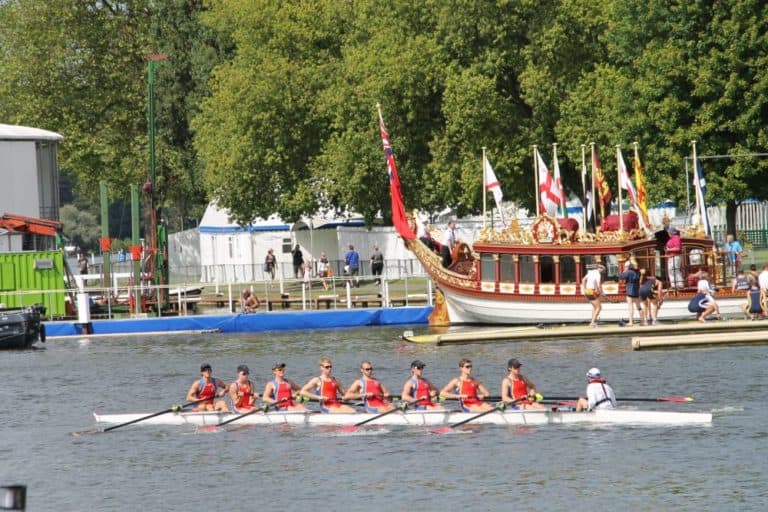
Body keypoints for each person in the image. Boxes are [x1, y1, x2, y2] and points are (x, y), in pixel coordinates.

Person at [618, 259, 641, 326]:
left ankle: (631, 322)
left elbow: (621, 277)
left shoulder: (629, 272)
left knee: (630, 306)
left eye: (625, 266)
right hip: (636, 289)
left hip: (630, 289)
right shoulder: (637, 272)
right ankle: (643, 320)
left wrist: (624, 271)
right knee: (638, 306)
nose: (625, 267)